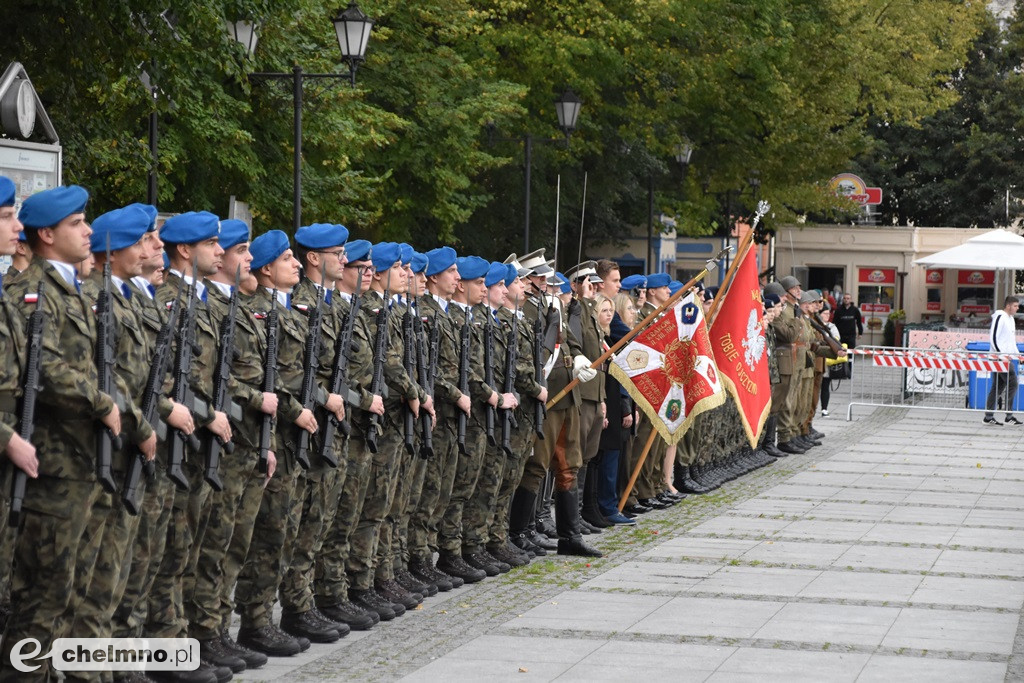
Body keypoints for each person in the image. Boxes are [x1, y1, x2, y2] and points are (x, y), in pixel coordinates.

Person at [984, 295, 1022, 426]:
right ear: (1008, 306)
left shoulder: (1011, 319)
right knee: (1013, 384)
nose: (1018, 308)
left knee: (998, 387)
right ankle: (1009, 416)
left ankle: (988, 417)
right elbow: (993, 338)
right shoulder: (1000, 317)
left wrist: (1018, 356)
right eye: (1016, 306)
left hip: (1004, 358)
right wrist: (1001, 355)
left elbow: (1011, 341)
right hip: (999, 358)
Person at [819, 304, 841, 417]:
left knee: (825, 385)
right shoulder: (816, 325)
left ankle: (824, 408)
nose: (827, 315)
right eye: (825, 313)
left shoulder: (832, 326)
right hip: (817, 357)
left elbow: (836, 338)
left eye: (828, 313)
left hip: (827, 359)